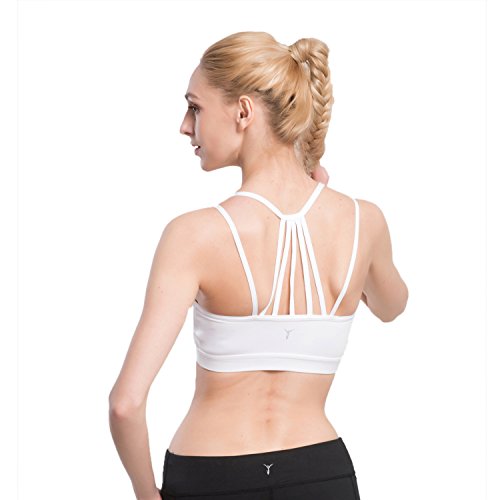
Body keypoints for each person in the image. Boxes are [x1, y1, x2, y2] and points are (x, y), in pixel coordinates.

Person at [108, 31, 409, 500]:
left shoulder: (194, 235)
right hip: (321, 473)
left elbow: (125, 404)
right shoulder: (362, 222)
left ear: (243, 112)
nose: (185, 126)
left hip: (211, 476)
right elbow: (392, 306)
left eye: (194, 107)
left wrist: (147, 496)